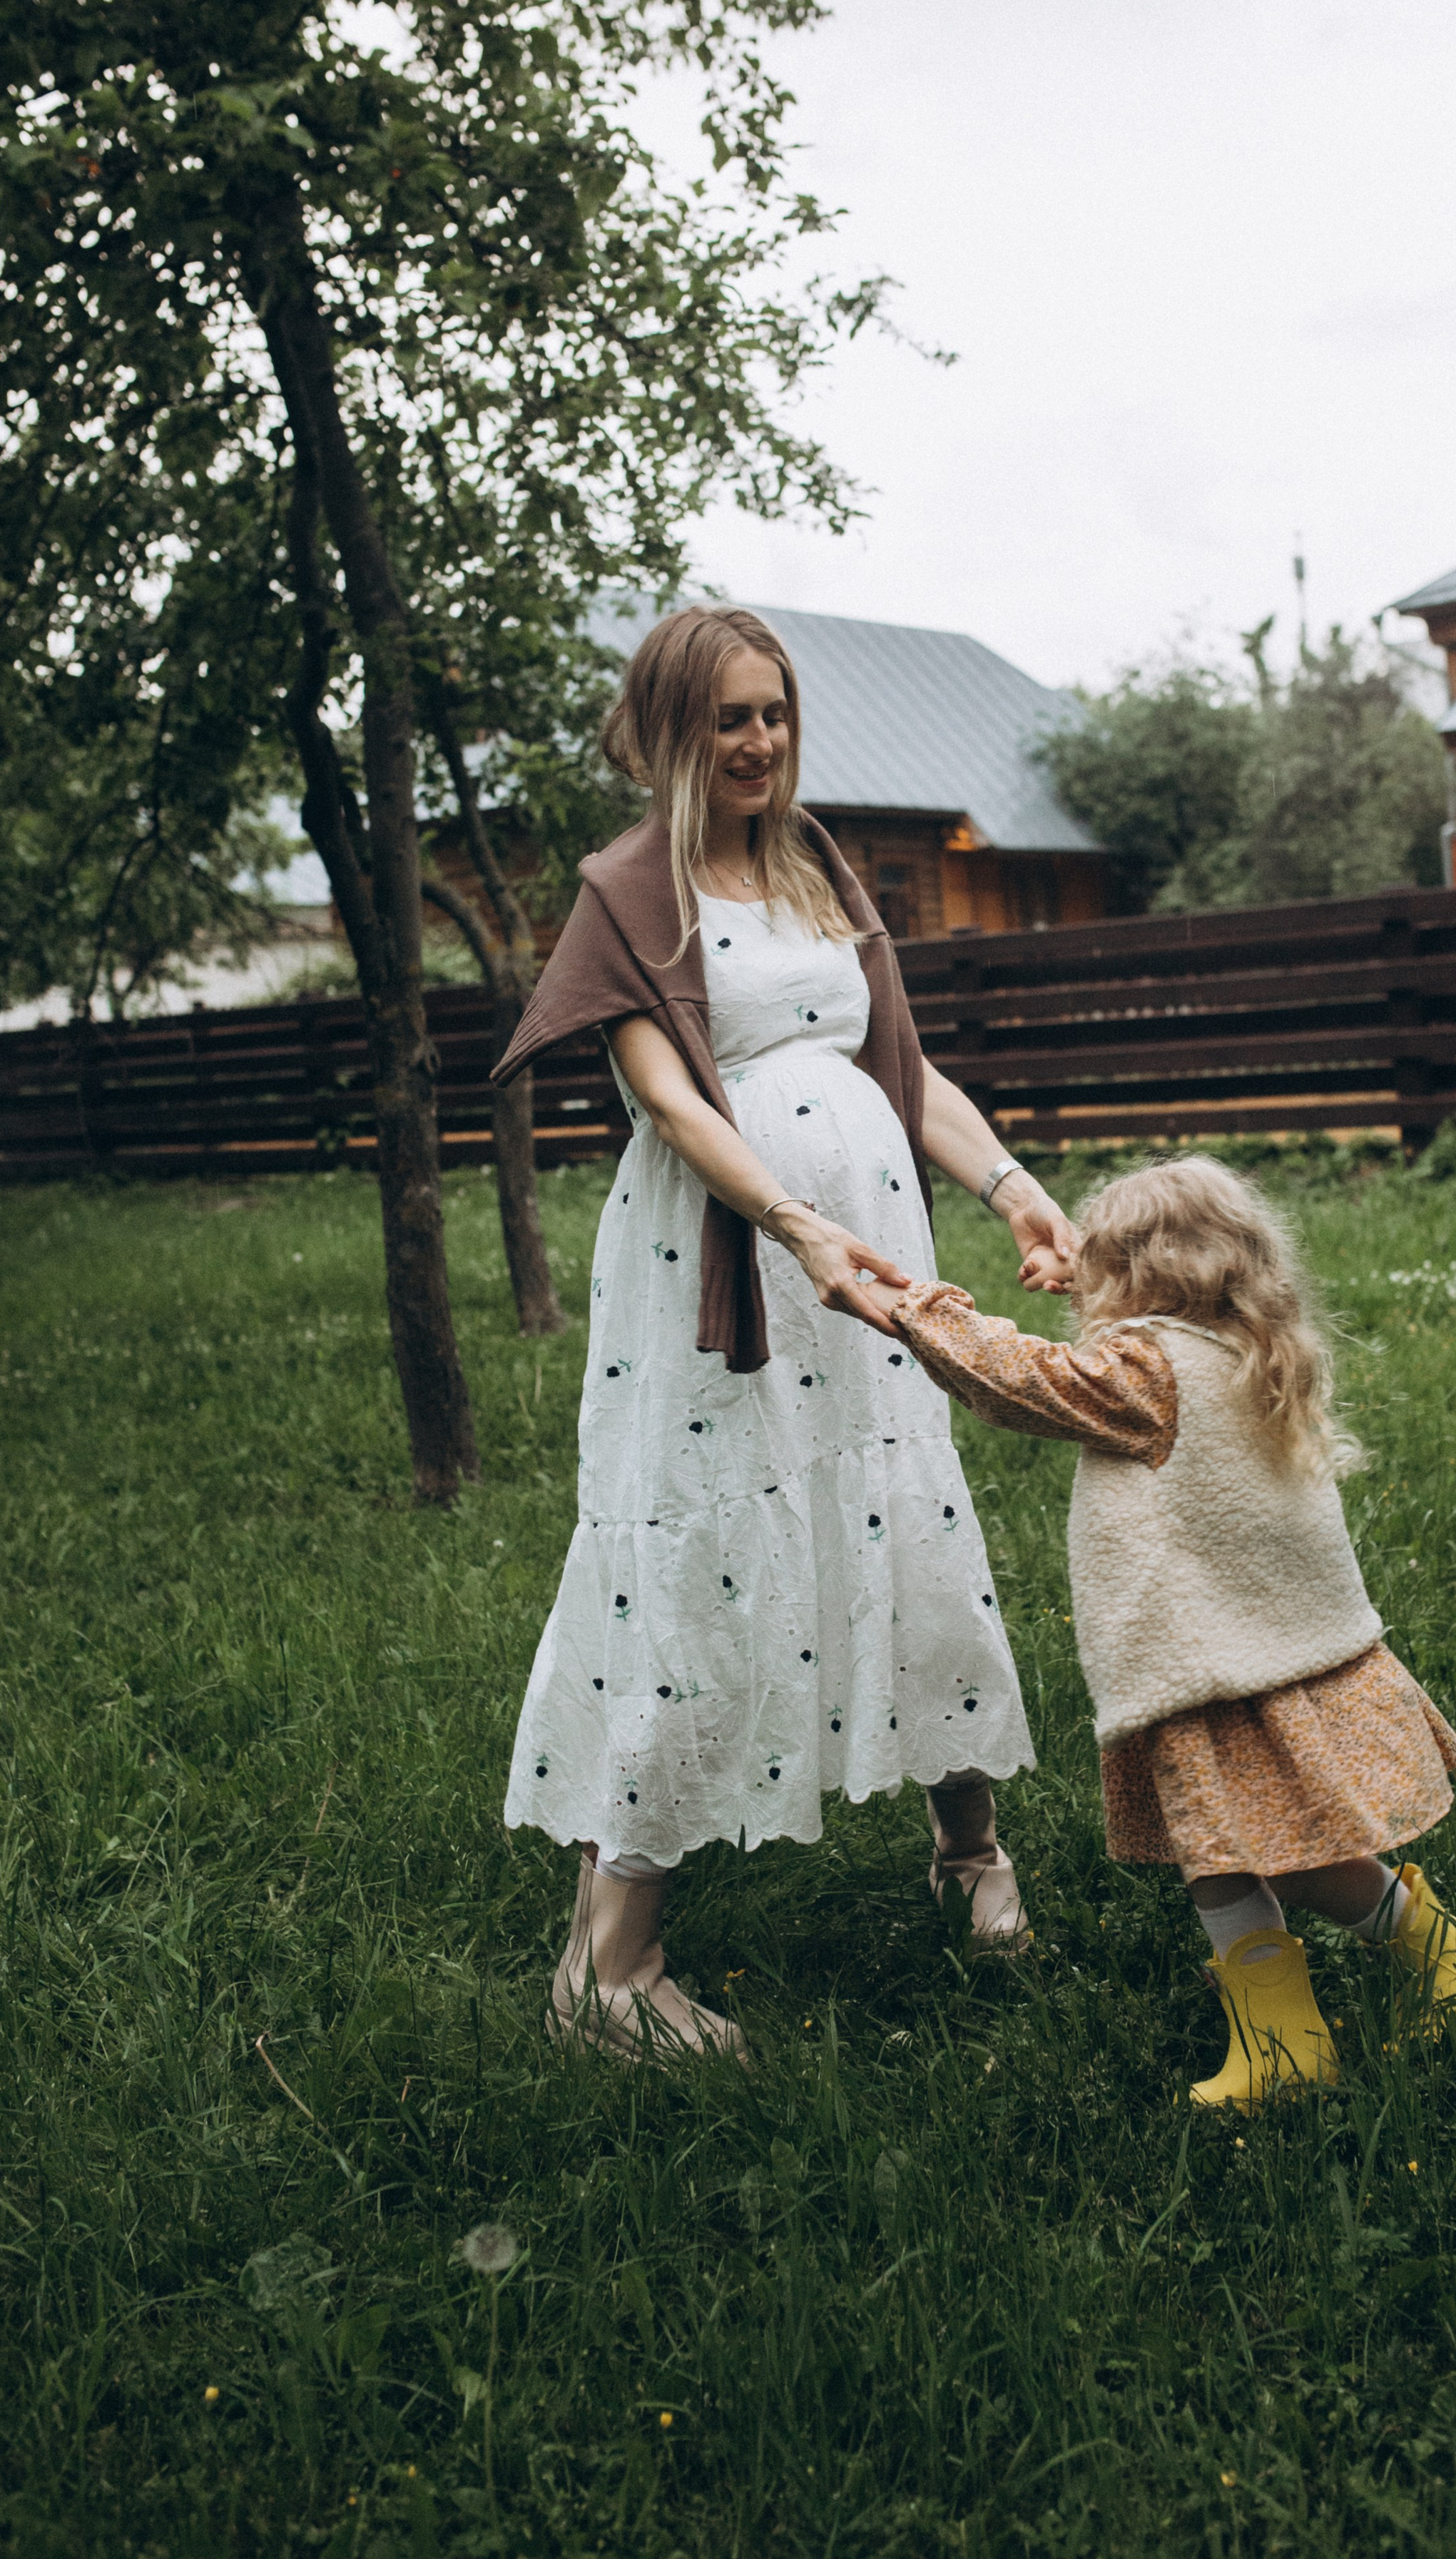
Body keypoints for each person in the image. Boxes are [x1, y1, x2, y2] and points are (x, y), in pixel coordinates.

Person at [490, 604, 1079, 2063]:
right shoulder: (630, 892)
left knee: (900, 1512)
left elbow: (898, 1069)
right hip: (728, 1268)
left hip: (868, 1267)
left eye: (775, 713)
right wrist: (795, 1226)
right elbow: (669, 1102)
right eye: (728, 719)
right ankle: (608, 1969)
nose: (758, 742)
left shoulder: (816, 865)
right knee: (701, 1553)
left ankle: (967, 1851)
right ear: (667, 734)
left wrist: (1013, 1191)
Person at [887, 1154, 1456, 2110]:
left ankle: (1306, 2033)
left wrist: (920, 1310)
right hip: (1267, 1659)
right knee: (1260, 1854)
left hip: (1214, 1674)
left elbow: (1018, 1380)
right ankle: (1395, 1967)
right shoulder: (1237, 1351)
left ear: (1132, 1277)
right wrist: (1083, 1271)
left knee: (1243, 1859)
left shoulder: (1147, 1372)